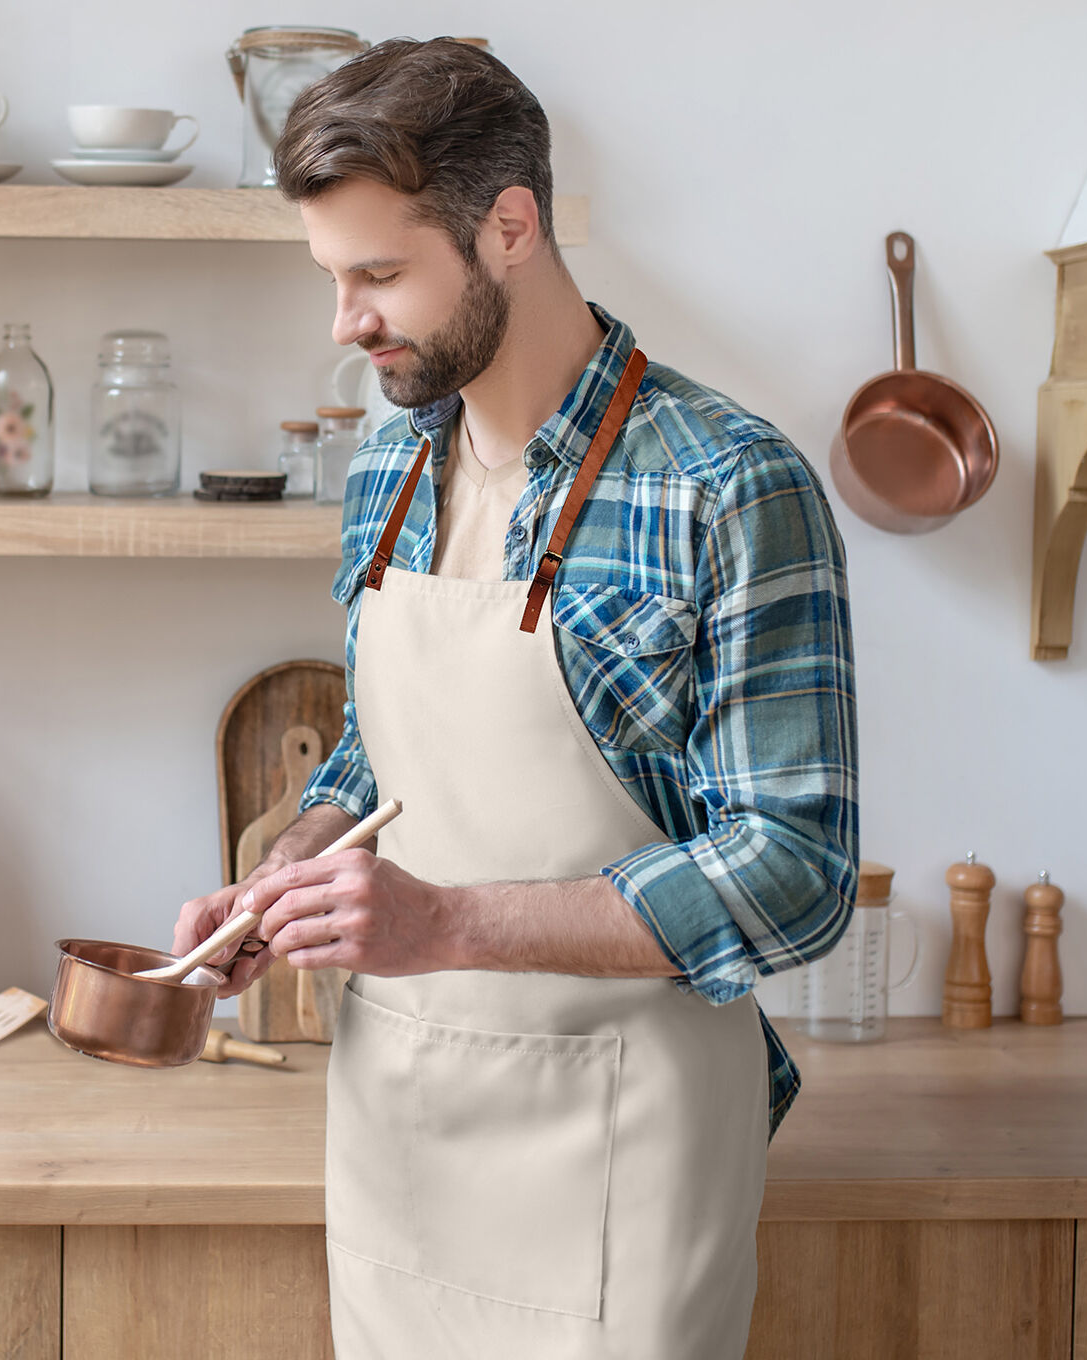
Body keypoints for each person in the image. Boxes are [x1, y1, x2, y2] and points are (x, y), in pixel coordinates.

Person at [173, 35, 858, 1360]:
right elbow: (385, 752)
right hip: (399, 1134)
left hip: (625, 1150)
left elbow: (797, 875)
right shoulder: (385, 466)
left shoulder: (727, 485)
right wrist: (296, 866)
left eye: (380, 274)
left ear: (512, 227)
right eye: (334, 276)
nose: (346, 322)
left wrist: (445, 921)